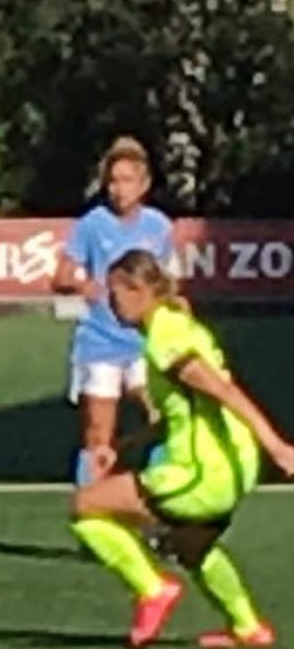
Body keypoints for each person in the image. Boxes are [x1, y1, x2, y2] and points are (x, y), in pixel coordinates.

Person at [70, 249, 294, 648]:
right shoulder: (179, 324)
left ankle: (152, 590)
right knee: (195, 546)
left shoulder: (165, 337)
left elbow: (223, 390)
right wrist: (121, 447)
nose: (110, 302)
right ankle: (249, 629)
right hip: (233, 464)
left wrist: (279, 447)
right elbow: (178, 413)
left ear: (138, 290)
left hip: (201, 471)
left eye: (115, 293)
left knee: (86, 507)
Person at [53, 137, 175, 487]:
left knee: (161, 421)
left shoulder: (159, 228)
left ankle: (160, 505)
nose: (118, 189)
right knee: (98, 434)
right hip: (101, 342)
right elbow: (61, 275)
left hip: (145, 342)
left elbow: (165, 281)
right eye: (112, 181)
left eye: (126, 180)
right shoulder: (92, 224)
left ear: (144, 184)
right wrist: (82, 285)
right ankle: (91, 509)